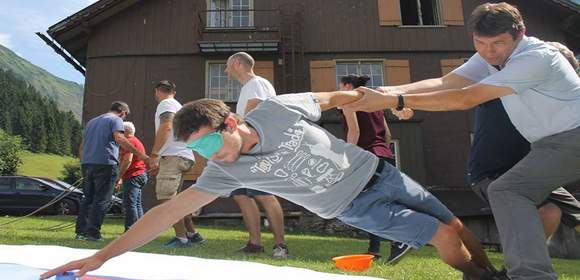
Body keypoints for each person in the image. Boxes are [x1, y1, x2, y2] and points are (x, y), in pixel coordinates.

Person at [41, 91, 506, 280]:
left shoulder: (277, 109)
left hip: (380, 172)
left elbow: (332, 97)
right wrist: (102, 256)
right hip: (354, 205)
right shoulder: (224, 173)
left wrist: (384, 101)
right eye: (196, 154)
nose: (207, 159)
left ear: (231, 122)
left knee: (457, 224)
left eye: (207, 145)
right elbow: (163, 214)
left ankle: (490, 275)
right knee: (443, 236)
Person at [346, 3, 580, 279]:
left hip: (571, 138)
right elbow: (447, 83)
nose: (489, 51)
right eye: (480, 43)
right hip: (549, 145)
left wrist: (397, 100)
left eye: (498, 43)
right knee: (512, 191)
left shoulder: (536, 57)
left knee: (509, 190)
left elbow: (465, 98)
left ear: (520, 34)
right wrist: (387, 90)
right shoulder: (491, 56)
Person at [338, 74, 411, 264]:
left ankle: (398, 239)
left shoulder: (349, 101)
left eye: (340, 86)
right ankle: (375, 248)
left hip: (365, 157)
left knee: (367, 203)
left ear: (347, 86)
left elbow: (355, 131)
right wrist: (384, 151)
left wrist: (348, 159)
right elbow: (387, 133)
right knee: (380, 201)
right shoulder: (375, 103)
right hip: (384, 155)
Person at [224, 52, 288, 258]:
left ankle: (280, 245)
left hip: (258, 148)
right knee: (241, 195)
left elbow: (251, 116)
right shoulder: (248, 87)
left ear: (237, 64)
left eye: (227, 66)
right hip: (244, 148)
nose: (225, 71)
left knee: (264, 194)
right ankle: (255, 243)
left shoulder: (257, 83)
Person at [75, 101, 149, 242]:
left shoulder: (91, 122)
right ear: (123, 112)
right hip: (106, 163)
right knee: (102, 199)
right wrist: (141, 155)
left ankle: (81, 232)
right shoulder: (116, 120)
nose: (123, 120)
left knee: (88, 199)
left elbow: (82, 146)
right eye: (125, 117)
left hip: (87, 163)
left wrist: (83, 162)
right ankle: (93, 233)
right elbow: (119, 138)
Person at [148, 80, 204, 248]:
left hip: (173, 155)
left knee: (166, 198)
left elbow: (166, 126)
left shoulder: (166, 103)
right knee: (177, 199)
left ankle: (182, 239)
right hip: (184, 155)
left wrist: (155, 154)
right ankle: (192, 234)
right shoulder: (179, 105)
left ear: (157, 91)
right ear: (174, 91)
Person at [115, 121, 148, 231]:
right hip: (141, 174)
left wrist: (119, 176)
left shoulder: (129, 142)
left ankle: (130, 230)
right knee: (137, 204)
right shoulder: (136, 140)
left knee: (130, 204)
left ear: (125, 131)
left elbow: (127, 160)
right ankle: (140, 229)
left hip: (133, 175)